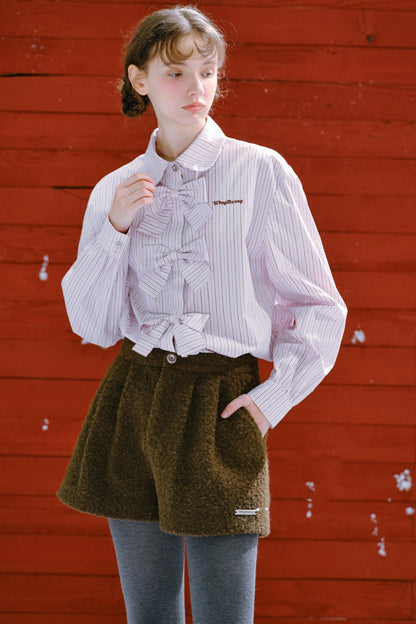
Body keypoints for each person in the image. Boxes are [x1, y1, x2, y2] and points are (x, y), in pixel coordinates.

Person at [56, 5, 347, 623]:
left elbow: (319, 306)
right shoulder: (115, 189)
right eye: (175, 72)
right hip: (134, 395)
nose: (196, 88)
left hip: (221, 399)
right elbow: (93, 324)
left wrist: (272, 401)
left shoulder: (260, 170)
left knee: (224, 616)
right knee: (150, 615)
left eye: (208, 71)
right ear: (139, 80)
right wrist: (115, 229)